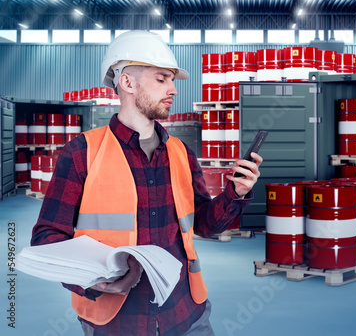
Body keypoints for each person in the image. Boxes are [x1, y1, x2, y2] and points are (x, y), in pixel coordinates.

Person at [31, 30, 263, 336]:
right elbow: (47, 238)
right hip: (115, 322)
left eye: (172, 80)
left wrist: (236, 193)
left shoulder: (181, 153)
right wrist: (91, 280)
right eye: (162, 79)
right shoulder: (81, 154)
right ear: (128, 83)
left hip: (186, 315)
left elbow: (204, 224)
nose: (173, 89)